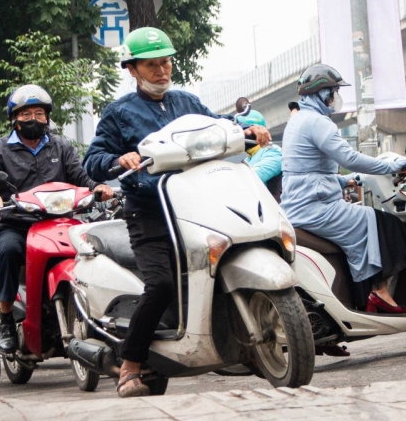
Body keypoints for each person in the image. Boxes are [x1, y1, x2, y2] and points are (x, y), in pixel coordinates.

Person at [84, 27, 271, 398]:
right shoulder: (119, 113)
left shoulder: (187, 103)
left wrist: (249, 130)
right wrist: (118, 159)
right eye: (152, 65)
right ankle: (131, 364)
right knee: (162, 286)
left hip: (199, 207)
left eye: (166, 63)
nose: (161, 71)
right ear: (133, 69)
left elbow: (220, 126)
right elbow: (93, 160)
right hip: (150, 212)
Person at [0, 84, 113, 354]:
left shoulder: (61, 146)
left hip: (60, 224)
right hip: (17, 224)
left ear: (47, 117)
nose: (33, 119)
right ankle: (8, 319)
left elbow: (81, 176)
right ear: (14, 118)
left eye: (39, 113)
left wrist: (98, 187)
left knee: (95, 251)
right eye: (25, 114)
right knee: (9, 251)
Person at [280, 64, 406, 315]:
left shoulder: (298, 120)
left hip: (301, 203)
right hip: (315, 207)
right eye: (333, 91)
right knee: (380, 222)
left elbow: (308, 171)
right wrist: (390, 165)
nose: (336, 98)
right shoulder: (317, 122)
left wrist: (347, 180)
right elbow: (349, 158)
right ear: (322, 93)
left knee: (367, 219)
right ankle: (379, 292)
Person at [235, 109, 282, 201]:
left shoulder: (273, 152)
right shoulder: (248, 158)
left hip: (276, 211)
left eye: (245, 133)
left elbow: (252, 177)